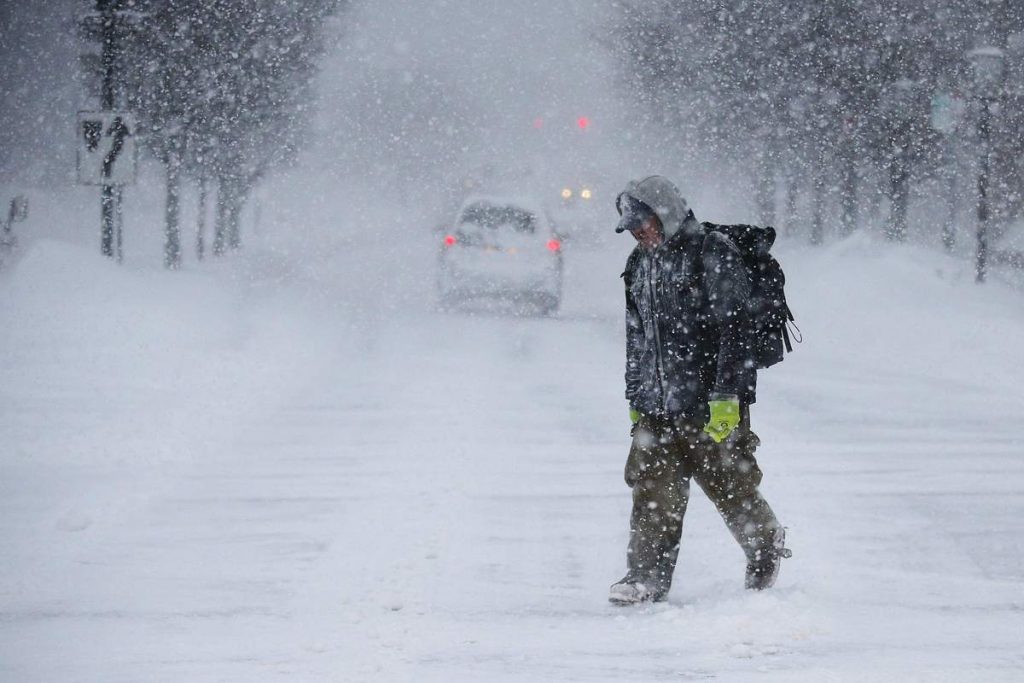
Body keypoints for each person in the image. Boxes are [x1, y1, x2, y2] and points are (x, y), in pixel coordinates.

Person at [609, 175, 789, 605]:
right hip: (657, 403)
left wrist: (727, 395)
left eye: (644, 222)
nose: (638, 232)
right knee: (653, 491)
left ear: (665, 214)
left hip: (709, 400)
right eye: (632, 226)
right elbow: (637, 335)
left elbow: (735, 330)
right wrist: (636, 395)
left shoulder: (711, 253)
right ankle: (645, 577)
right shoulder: (640, 264)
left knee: (730, 486)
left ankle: (765, 546)